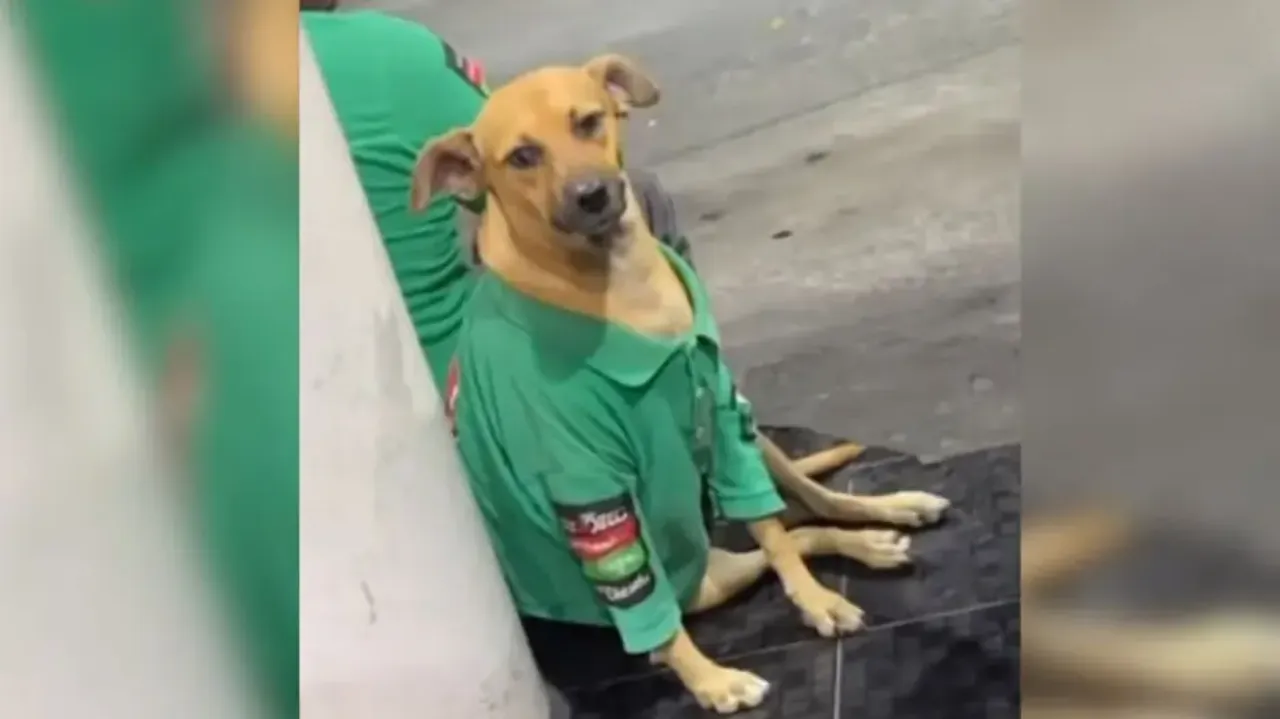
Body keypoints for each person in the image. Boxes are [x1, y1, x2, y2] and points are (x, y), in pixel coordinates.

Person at [302, 3, 691, 394]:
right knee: (633, 194)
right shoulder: (385, 52)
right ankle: (691, 378)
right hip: (462, 387)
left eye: (589, 124)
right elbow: (502, 165)